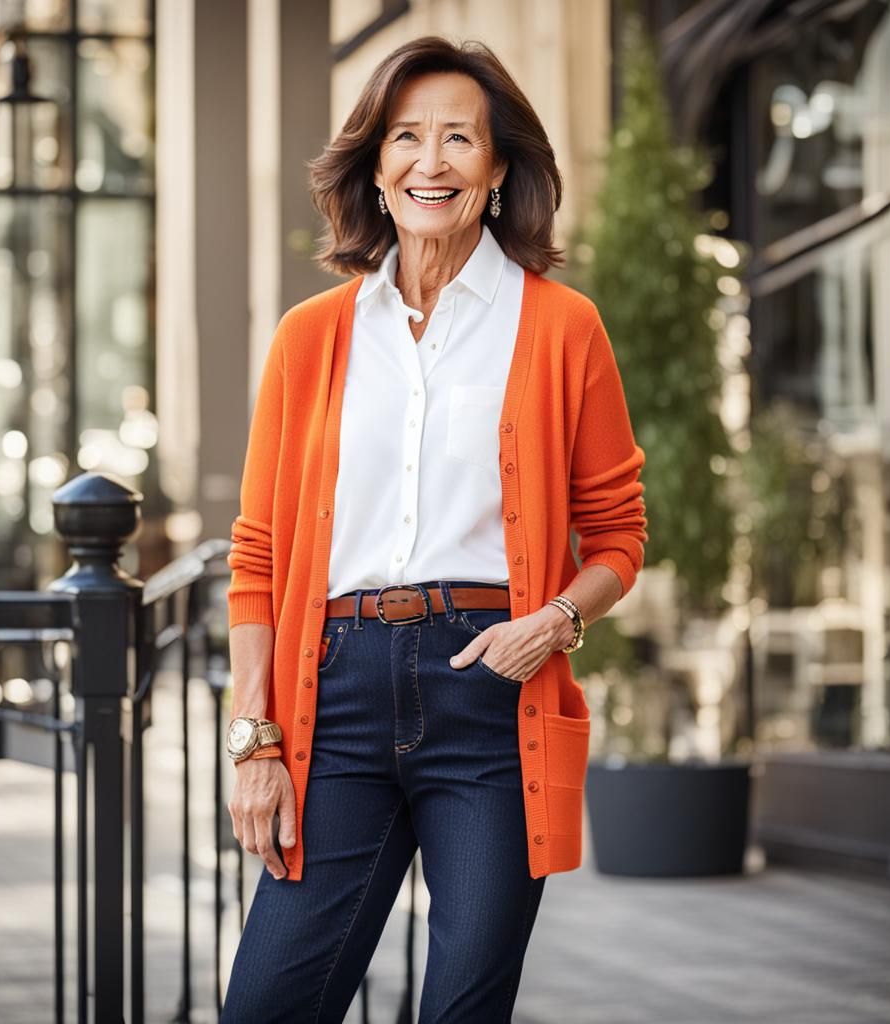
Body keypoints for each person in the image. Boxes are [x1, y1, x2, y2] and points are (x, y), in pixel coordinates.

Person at [220, 35, 648, 1024]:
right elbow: (258, 554)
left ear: (497, 171)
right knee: (267, 1003)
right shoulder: (310, 337)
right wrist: (254, 740)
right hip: (334, 695)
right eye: (406, 137)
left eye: (460, 137)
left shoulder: (561, 326)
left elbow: (618, 535)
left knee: (463, 1007)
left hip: (492, 691)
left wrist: (554, 623)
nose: (431, 160)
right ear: (375, 168)